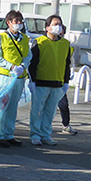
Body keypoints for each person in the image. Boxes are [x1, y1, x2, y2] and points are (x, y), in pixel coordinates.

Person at [28, 15, 73, 146]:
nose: (58, 26)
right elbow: (33, 63)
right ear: (47, 27)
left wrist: (65, 82)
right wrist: (31, 81)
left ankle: (45, 134)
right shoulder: (40, 42)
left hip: (57, 83)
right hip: (41, 82)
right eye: (54, 24)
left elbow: (66, 64)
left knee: (50, 111)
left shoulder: (65, 44)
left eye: (60, 24)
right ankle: (35, 134)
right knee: (37, 110)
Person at [0, 10, 32, 147]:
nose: (19, 24)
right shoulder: (0, 37)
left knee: (13, 107)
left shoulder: (25, 38)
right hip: (4, 77)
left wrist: (22, 65)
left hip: (19, 77)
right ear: (8, 23)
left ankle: (9, 134)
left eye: (20, 21)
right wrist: (11, 67)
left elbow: (28, 56)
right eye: (16, 21)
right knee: (1, 106)